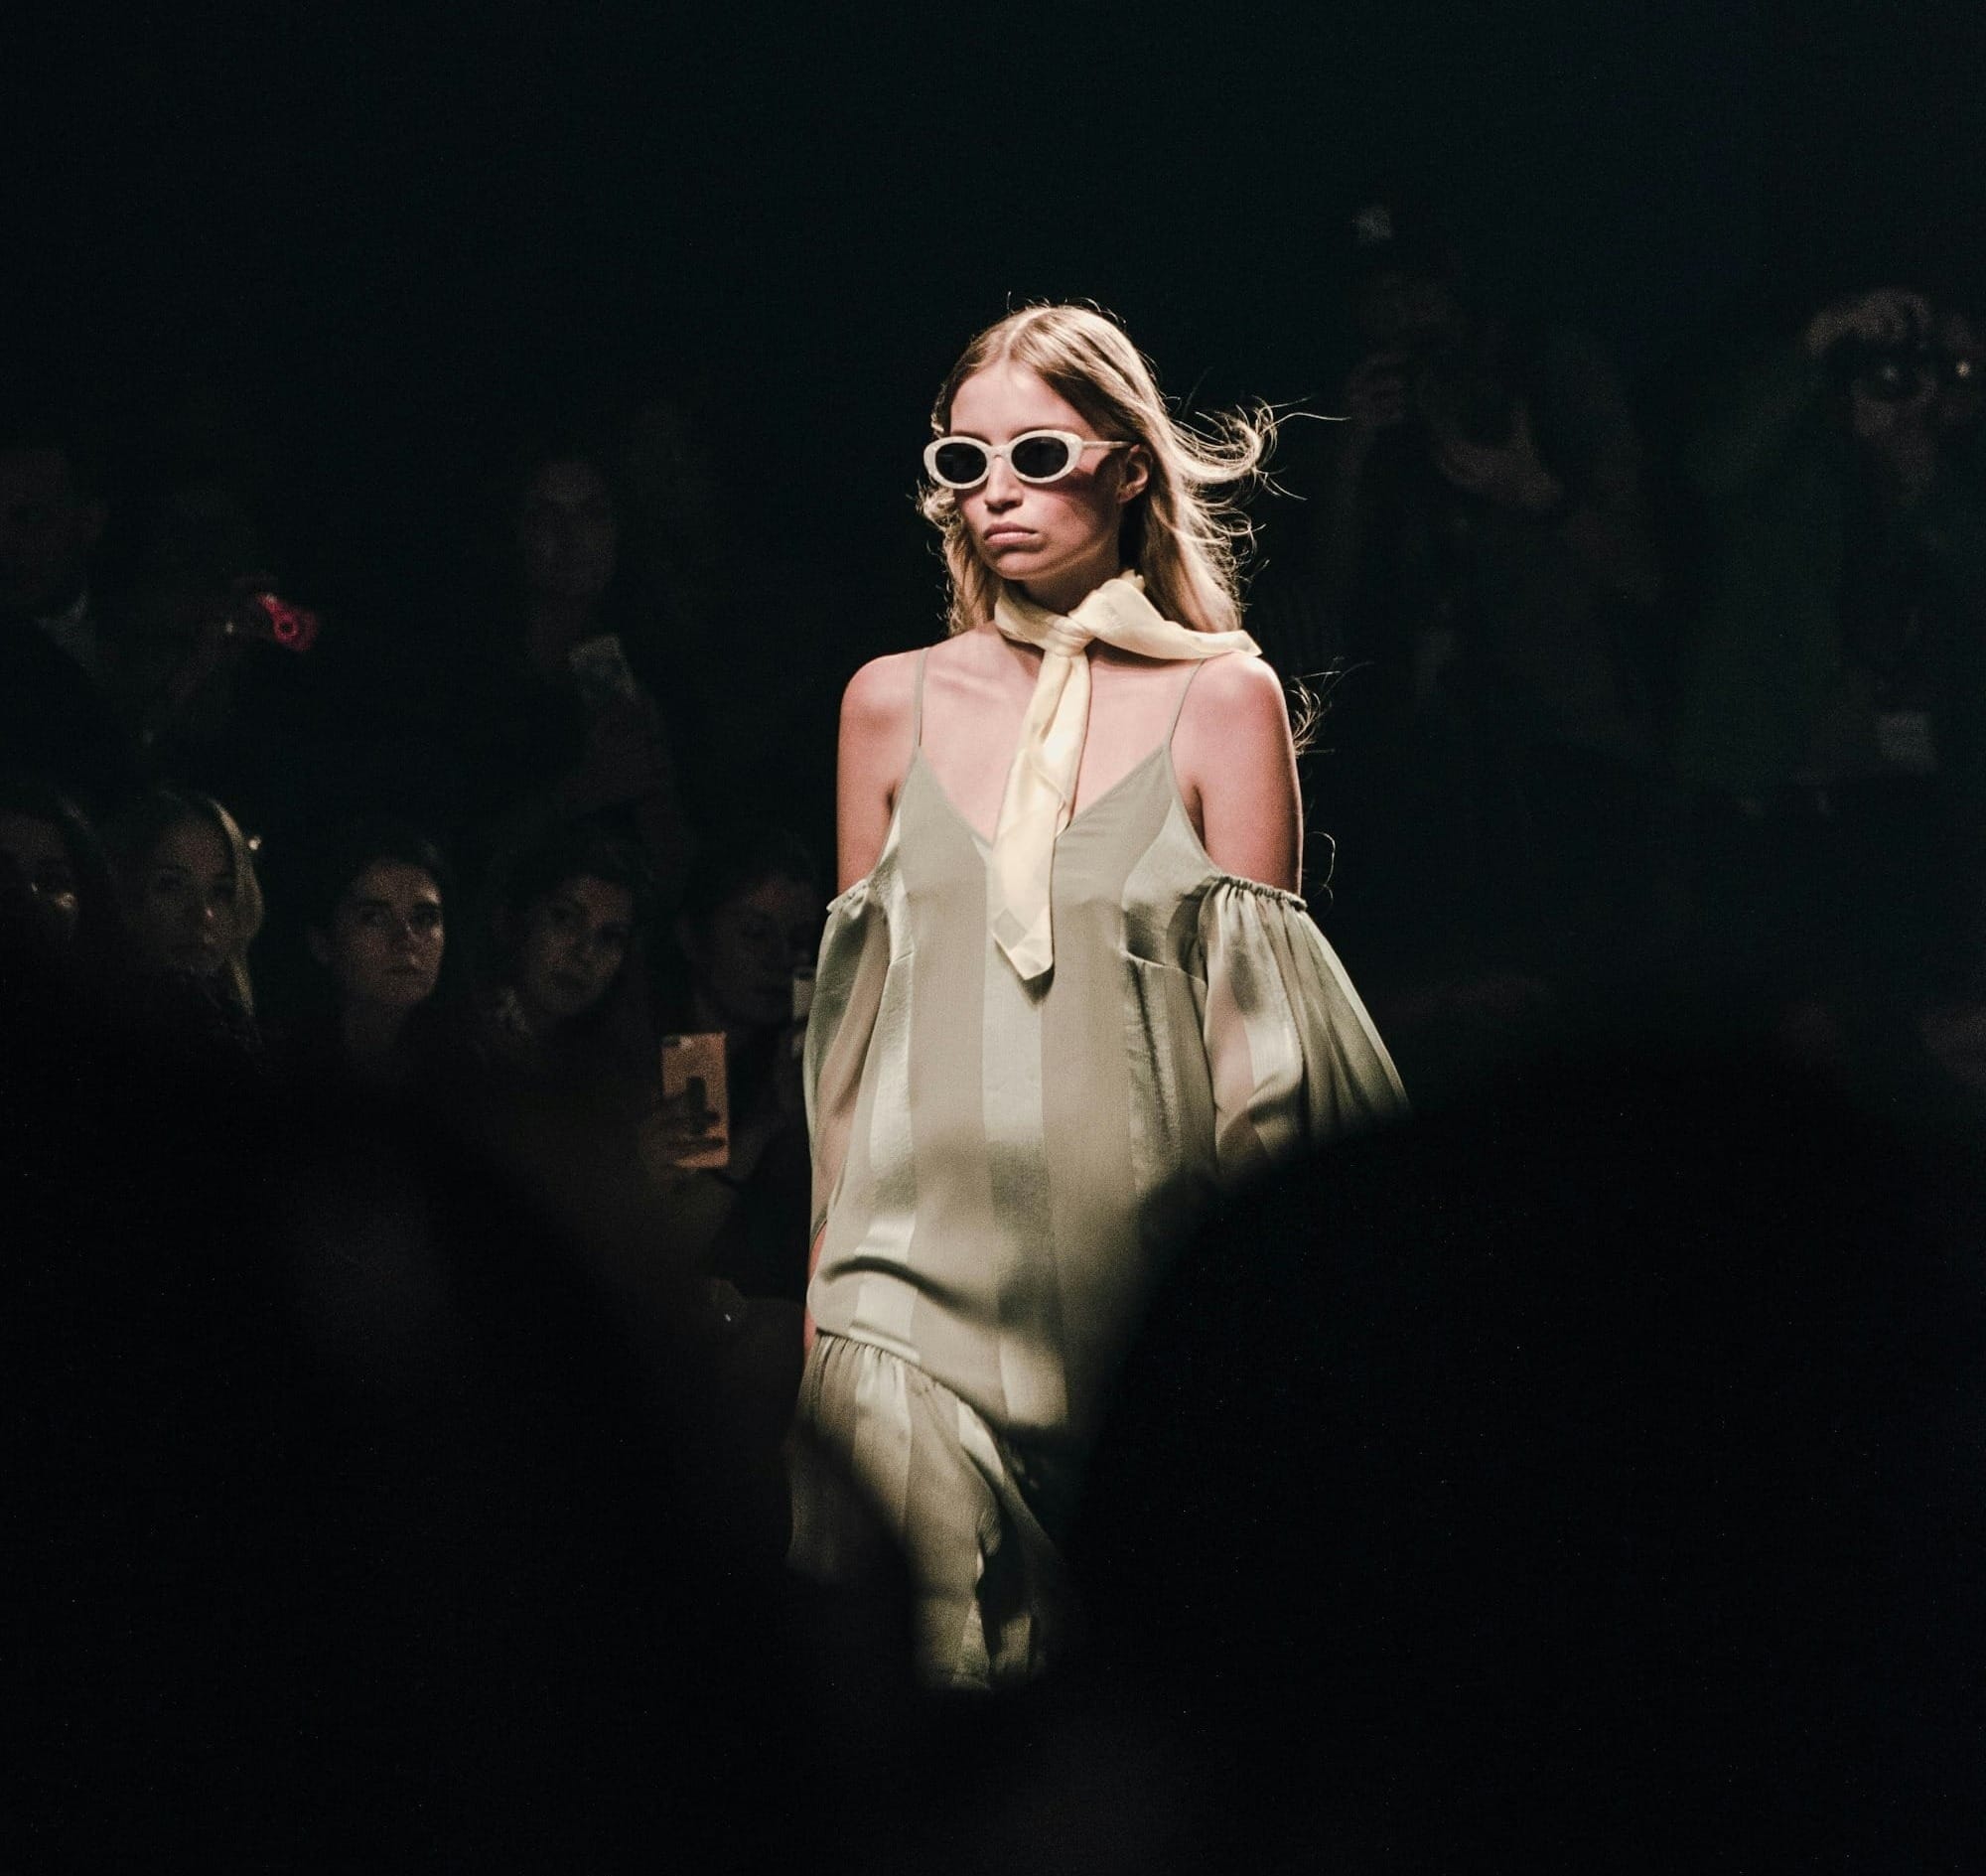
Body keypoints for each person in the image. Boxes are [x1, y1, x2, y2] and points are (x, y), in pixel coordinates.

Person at [788, 305, 1408, 1690]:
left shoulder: (1223, 702)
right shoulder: (885, 705)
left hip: (1142, 1330)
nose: (995, 489)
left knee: (1137, 1725)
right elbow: (852, 1033)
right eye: (965, 460)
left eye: (1037, 452)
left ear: (1128, 468)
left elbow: (1267, 1063)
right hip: (902, 1300)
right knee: (913, 1715)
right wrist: (824, 1290)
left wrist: (1262, 1333)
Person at [100, 786, 266, 1053]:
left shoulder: (250, 1041)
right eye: (172, 885)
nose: (203, 914)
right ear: (127, 895)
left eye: (221, 891)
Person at [293, 821, 453, 1089]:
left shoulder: (473, 1070)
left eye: (424, 918)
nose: (406, 939)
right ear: (321, 943)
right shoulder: (278, 1070)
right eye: (374, 918)